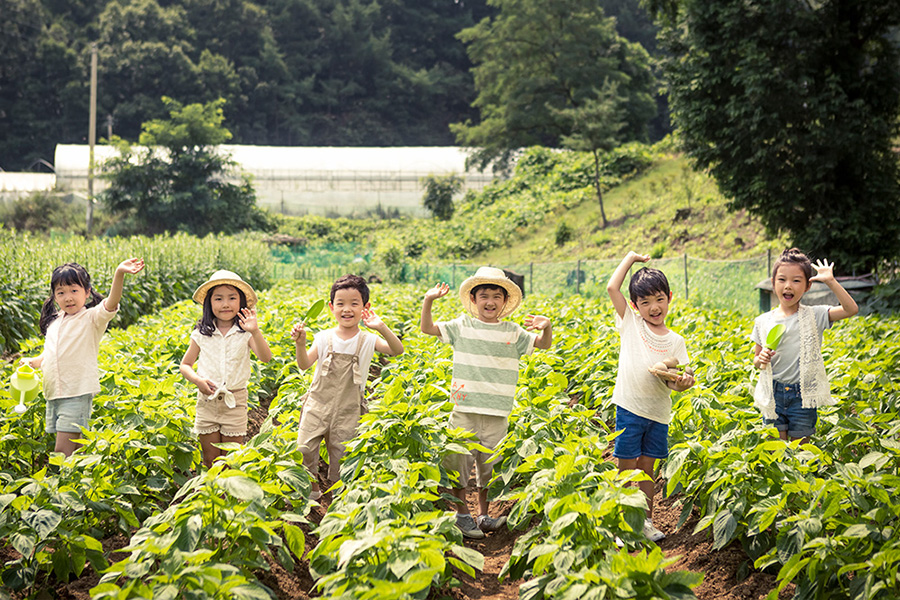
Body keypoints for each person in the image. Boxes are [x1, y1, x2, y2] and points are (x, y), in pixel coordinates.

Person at [421, 267, 552, 539]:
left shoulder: (513, 332)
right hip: (465, 409)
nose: (489, 301)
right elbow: (427, 328)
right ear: (473, 299)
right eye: (484, 295)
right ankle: (461, 515)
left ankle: (483, 515)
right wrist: (429, 300)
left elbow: (543, 345)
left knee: (489, 468)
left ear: (504, 302)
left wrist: (547, 327)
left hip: (497, 412)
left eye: (496, 296)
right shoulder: (461, 326)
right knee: (459, 465)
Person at [607, 251, 695, 543]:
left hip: (658, 413)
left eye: (659, 299)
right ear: (635, 306)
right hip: (630, 408)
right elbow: (611, 288)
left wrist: (682, 383)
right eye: (645, 302)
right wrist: (630, 259)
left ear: (669, 297)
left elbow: (681, 380)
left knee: (647, 469)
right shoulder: (632, 323)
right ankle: (622, 524)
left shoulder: (676, 341)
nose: (653, 307)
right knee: (626, 467)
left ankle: (644, 521)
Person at [292, 274, 404, 500]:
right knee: (304, 448)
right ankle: (312, 488)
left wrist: (381, 327)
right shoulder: (323, 337)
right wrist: (300, 344)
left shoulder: (368, 340)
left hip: (349, 408)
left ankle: (338, 500)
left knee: (343, 455)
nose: (347, 309)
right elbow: (304, 364)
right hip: (317, 403)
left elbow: (396, 350)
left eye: (354, 303)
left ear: (365, 307)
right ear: (332, 307)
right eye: (341, 303)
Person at [21, 258, 145, 456]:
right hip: (54, 394)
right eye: (61, 293)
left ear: (87, 293)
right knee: (77, 447)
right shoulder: (55, 322)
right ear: (54, 296)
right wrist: (33, 362)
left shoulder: (91, 319)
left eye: (74, 290)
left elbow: (111, 302)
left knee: (61, 451)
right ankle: (82, 480)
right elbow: (50, 353)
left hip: (76, 392)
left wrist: (119, 273)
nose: (68, 297)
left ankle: (58, 486)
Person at [751, 248, 858, 442]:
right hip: (772, 393)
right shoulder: (763, 321)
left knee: (801, 452)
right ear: (773, 283)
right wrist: (761, 359)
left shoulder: (814, 315)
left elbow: (851, 309)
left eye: (796, 280)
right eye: (782, 280)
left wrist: (831, 282)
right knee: (777, 452)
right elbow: (756, 360)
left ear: (808, 286)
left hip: (803, 395)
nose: (788, 286)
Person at [180, 270, 273, 468]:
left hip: (235, 401)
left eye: (232, 298)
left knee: (231, 459)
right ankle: (214, 495)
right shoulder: (202, 333)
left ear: (241, 302)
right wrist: (198, 381)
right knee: (210, 459)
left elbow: (266, 357)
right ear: (209, 303)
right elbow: (185, 365)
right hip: (207, 400)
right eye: (218, 298)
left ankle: (229, 495)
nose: (225, 304)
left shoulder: (245, 333)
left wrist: (255, 331)